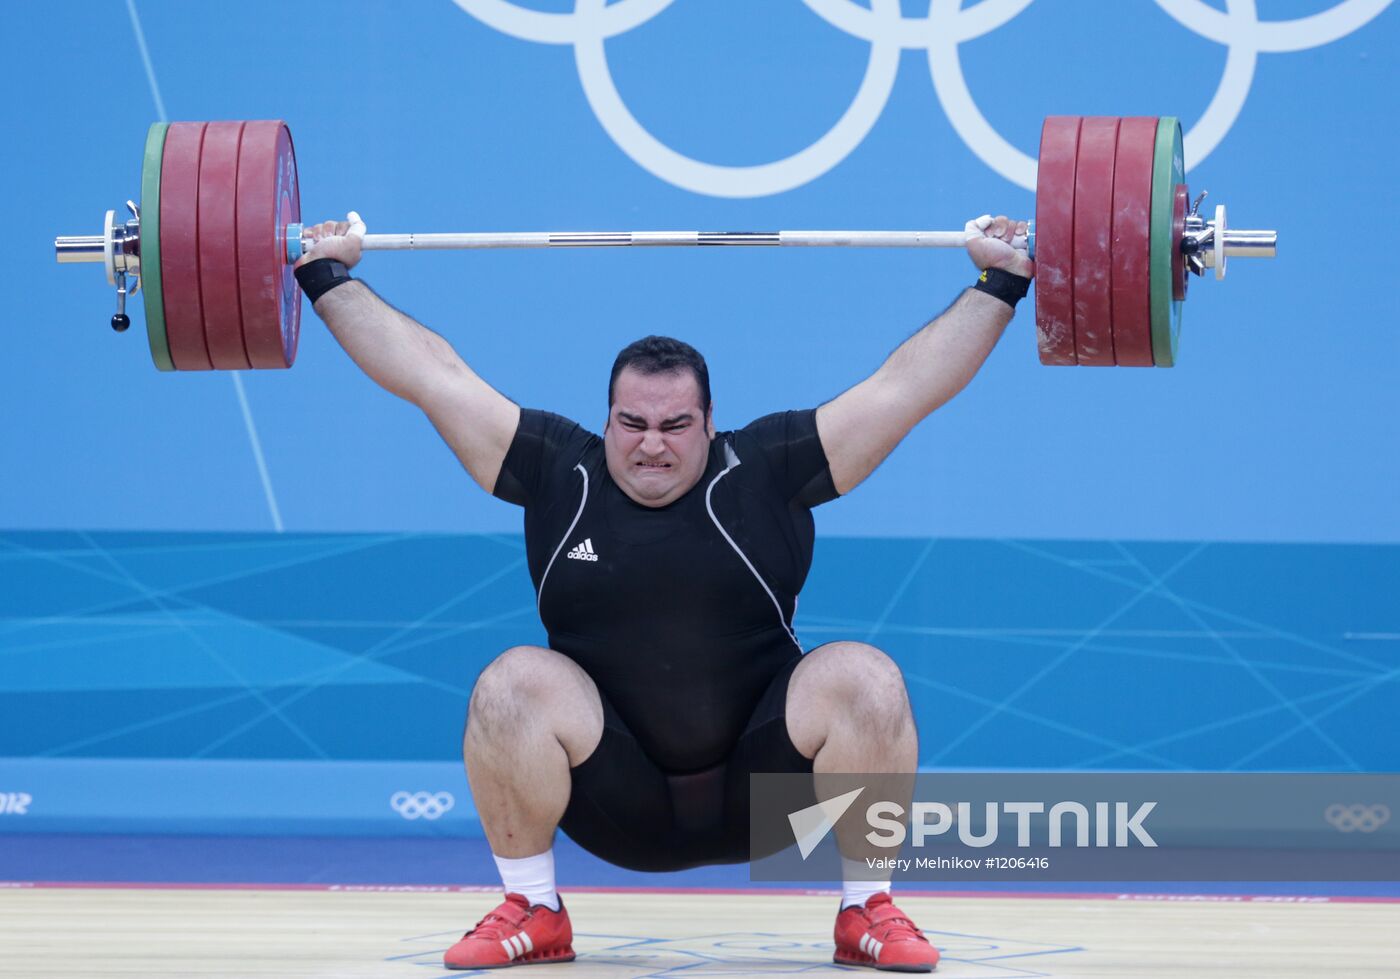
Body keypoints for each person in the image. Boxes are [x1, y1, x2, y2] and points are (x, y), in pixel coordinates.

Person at [294, 211, 1034, 973]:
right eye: (632, 422)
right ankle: (534, 907)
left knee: (865, 678)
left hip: (767, 796)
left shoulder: (768, 469)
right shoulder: (557, 470)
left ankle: (865, 909)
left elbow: (905, 389)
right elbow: (429, 373)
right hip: (615, 800)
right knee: (509, 683)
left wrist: (1001, 279)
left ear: (711, 423)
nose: (651, 443)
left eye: (676, 424)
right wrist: (325, 273)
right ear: (605, 418)